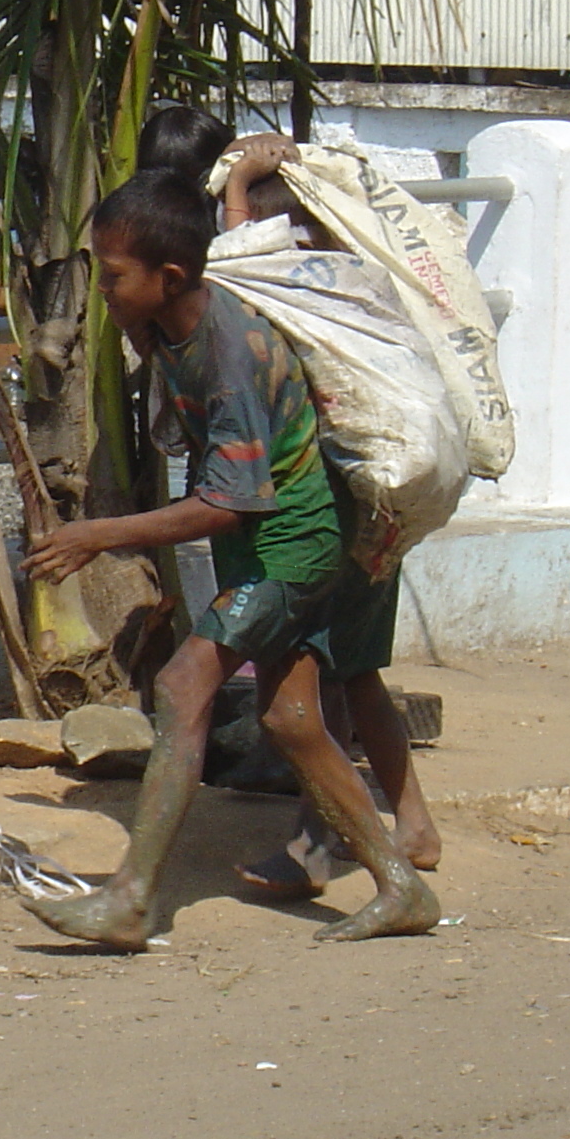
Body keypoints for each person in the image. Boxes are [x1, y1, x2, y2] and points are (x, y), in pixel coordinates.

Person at [18, 169, 436, 949]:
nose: (103, 292)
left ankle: (134, 901)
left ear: (169, 278)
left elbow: (233, 499)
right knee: (290, 718)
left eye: (113, 278)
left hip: (289, 549)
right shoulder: (175, 327)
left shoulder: (229, 353)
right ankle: (401, 884)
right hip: (272, 546)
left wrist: (94, 537)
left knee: (183, 687)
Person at [212, 136, 443, 897]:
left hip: (326, 505)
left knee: (311, 677)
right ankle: (412, 822)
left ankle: (318, 844)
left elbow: (233, 257)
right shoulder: (358, 283)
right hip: (380, 502)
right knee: (357, 670)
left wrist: (241, 179)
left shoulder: (282, 290)